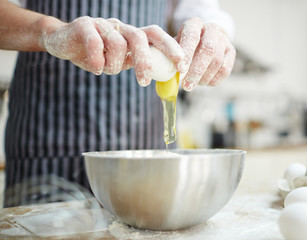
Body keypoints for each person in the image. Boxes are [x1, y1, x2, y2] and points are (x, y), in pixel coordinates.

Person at [0, 0, 236, 207]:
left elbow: (201, 11)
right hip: (45, 147)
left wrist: (213, 31)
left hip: (144, 151)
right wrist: (50, 32)